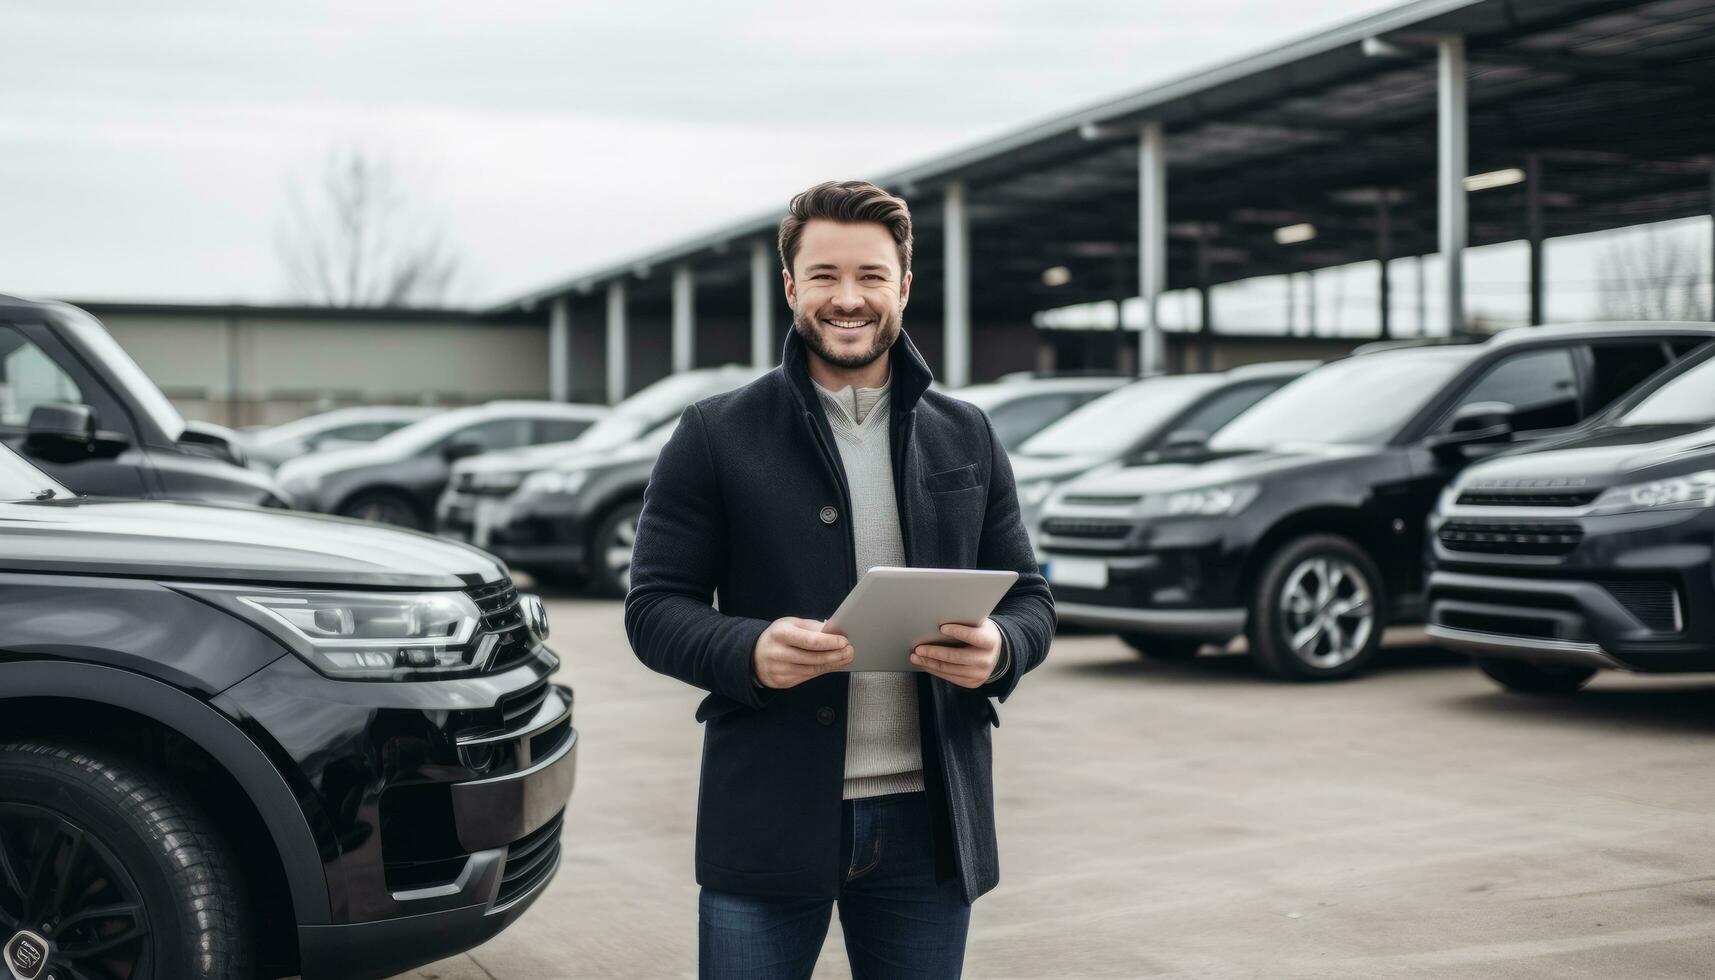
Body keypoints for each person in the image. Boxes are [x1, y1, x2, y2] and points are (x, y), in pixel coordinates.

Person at [625, 178, 1054, 979]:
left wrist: (1001, 649)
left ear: (904, 288)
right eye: (823, 276)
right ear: (790, 286)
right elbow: (653, 608)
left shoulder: (968, 432)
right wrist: (748, 648)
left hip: (929, 827)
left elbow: (1030, 597)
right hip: (766, 819)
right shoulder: (713, 434)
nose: (847, 299)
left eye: (870, 277)